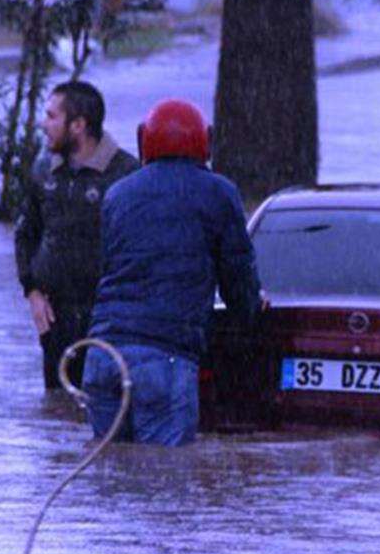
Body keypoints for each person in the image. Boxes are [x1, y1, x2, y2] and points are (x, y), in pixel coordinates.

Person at [85, 99, 263, 447]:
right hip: (164, 360)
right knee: (166, 484)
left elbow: (107, 271)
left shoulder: (117, 195)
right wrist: (252, 312)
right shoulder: (218, 192)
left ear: (143, 142)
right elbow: (237, 275)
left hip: (102, 355)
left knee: (110, 479)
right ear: (205, 143)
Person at [14, 81, 138, 391]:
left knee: (103, 406)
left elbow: (142, 249)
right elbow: (25, 235)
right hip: (55, 318)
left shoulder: (126, 175)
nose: (44, 125)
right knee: (57, 412)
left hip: (108, 317)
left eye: (52, 117)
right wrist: (32, 292)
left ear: (78, 125)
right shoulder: (43, 172)